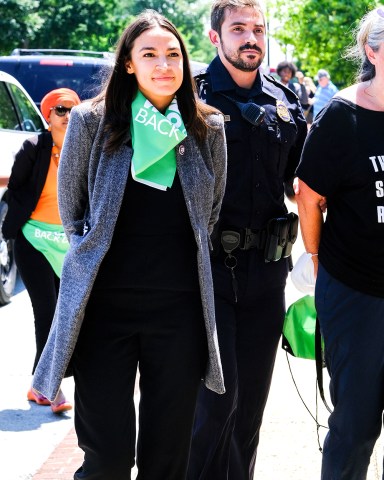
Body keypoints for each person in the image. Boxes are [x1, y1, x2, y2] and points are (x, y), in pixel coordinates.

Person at [32, 9, 227, 480]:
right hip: (104, 313)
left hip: (179, 314)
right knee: (109, 459)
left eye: (173, 55)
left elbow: (211, 212)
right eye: (150, 55)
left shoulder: (207, 127)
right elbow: (72, 211)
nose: (164, 65)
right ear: (128, 64)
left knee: (167, 461)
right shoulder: (90, 121)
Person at [188, 1, 307, 479]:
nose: (251, 37)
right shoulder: (188, 99)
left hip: (266, 273)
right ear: (216, 37)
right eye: (238, 28)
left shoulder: (285, 100)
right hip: (208, 273)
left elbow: (305, 183)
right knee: (216, 404)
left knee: (250, 408)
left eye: (258, 28)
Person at [295, 6, 384, 479]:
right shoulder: (341, 117)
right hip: (356, 293)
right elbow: (308, 197)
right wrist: (315, 259)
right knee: (356, 425)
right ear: (372, 51)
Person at [2, 88, 81, 414]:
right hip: (34, 241)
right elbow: (15, 190)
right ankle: (48, 387)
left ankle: (43, 384)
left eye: (74, 111)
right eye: (61, 110)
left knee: (70, 318)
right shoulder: (34, 148)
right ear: (47, 116)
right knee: (47, 313)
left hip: (69, 245)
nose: (67, 116)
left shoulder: (85, 149)